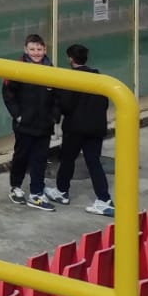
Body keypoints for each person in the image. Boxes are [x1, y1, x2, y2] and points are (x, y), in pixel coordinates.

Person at [51, 42, 114, 216]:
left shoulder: (71, 79)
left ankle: (62, 191)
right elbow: (105, 102)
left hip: (75, 128)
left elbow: (65, 105)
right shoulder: (99, 78)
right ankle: (104, 199)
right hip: (96, 128)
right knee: (94, 163)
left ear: (70, 59)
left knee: (68, 160)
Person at [2, 33, 58, 210]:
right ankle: (15, 187)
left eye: (39, 49)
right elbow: (8, 94)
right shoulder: (17, 68)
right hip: (24, 124)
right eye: (32, 49)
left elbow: (58, 96)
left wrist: (54, 117)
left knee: (40, 159)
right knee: (21, 156)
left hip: (44, 125)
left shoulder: (51, 69)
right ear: (26, 49)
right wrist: (18, 116)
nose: (36, 53)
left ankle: (36, 193)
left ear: (45, 50)